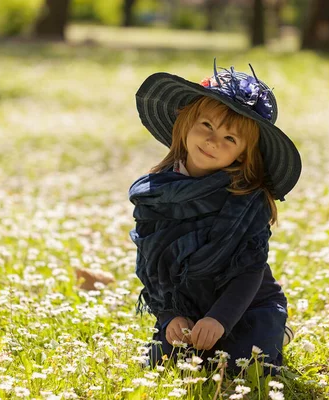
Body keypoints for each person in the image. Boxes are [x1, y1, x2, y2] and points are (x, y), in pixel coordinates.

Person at [128, 59, 302, 376]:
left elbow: (249, 272)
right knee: (164, 365)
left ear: (244, 154)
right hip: (188, 307)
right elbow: (150, 265)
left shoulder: (245, 200)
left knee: (243, 368)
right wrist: (169, 316)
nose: (213, 141)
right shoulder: (155, 193)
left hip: (245, 306)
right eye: (206, 126)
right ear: (185, 124)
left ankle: (276, 332)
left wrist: (220, 318)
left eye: (230, 139)